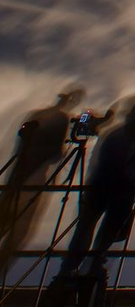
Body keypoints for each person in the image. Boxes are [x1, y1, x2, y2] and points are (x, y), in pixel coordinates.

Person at [51, 89, 135, 291]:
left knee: (84, 230)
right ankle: (90, 272)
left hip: (98, 183)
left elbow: (94, 131)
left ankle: (66, 277)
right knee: (105, 234)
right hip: (123, 186)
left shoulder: (111, 129)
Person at [0, 87, 87, 278]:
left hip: (15, 178)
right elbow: (56, 155)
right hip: (35, 182)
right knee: (18, 234)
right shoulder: (62, 119)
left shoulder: (37, 114)